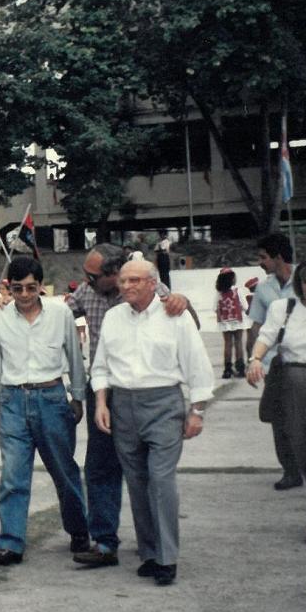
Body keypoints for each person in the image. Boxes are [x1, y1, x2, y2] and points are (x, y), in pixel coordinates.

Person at [67, 243, 192, 568]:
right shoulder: (85, 293)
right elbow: (60, 315)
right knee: (100, 467)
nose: (86, 279)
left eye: (93, 275)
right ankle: (105, 543)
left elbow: (187, 327)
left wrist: (184, 302)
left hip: (152, 394)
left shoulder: (152, 288)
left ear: (114, 273)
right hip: (105, 392)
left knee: (151, 474)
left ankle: (153, 544)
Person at [91, 260, 213, 586]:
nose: (126, 286)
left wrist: (197, 410)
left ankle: (168, 557)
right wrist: (101, 403)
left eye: (134, 280)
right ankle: (149, 552)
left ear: (152, 283)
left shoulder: (175, 315)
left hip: (163, 405)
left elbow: (197, 365)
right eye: (123, 280)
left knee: (161, 480)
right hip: (123, 406)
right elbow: (101, 365)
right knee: (137, 482)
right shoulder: (114, 318)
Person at [0, 256, 90, 566]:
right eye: (18, 288)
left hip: (52, 398)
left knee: (64, 470)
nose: (25, 295)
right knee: (14, 475)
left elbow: (74, 356)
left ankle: (79, 530)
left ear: (41, 286)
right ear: (9, 288)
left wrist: (78, 397)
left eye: (32, 287)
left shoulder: (60, 315)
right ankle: (10, 542)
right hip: (13, 400)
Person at [246, 257, 306, 546]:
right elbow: (266, 336)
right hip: (290, 383)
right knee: (299, 449)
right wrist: (255, 359)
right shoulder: (284, 308)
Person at [246, 233, 302, 490]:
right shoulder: (263, 288)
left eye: (263, 257)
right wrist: (252, 360)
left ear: (278, 256)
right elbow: (256, 326)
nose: (260, 262)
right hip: (274, 364)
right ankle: (291, 471)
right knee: (279, 421)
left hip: (305, 361)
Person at [215, 268, 247, 378]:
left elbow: (215, 307)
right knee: (238, 343)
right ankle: (240, 368)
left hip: (224, 321)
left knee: (227, 344)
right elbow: (245, 306)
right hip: (237, 319)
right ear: (232, 279)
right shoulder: (238, 291)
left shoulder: (219, 293)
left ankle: (227, 369)